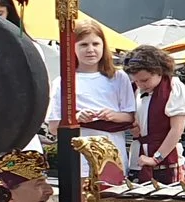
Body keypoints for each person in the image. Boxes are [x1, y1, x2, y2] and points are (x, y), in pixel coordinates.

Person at [45, 16, 136, 154]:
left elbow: (130, 116)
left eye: (95, 44)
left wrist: (112, 115)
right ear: (72, 47)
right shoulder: (63, 81)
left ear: (103, 46)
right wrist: (76, 117)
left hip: (112, 151)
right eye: (83, 45)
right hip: (78, 154)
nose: (90, 50)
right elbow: (53, 126)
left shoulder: (118, 77)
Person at [120, 45, 185, 184]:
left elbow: (177, 129)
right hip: (138, 160)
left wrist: (156, 158)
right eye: (136, 81)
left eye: (145, 80)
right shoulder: (133, 89)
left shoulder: (173, 87)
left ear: (159, 71)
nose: (140, 85)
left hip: (167, 161)